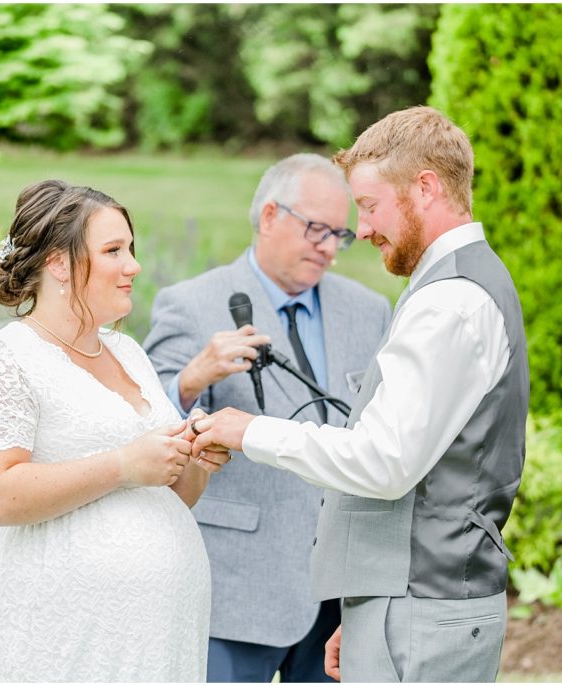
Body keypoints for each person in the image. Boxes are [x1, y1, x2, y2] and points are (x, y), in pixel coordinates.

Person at [191, 107, 529, 682]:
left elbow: (384, 461)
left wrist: (249, 431)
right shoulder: (459, 283)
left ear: (425, 187)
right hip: (406, 604)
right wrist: (371, 608)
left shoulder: (450, 302)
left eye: (370, 207)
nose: (363, 229)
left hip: (423, 608)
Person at [0, 180, 228, 682]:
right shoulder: (3, 360)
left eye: (132, 249)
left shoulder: (128, 353)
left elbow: (166, 497)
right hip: (64, 639)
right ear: (59, 263)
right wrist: (123, 465)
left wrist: (195, 457)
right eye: (114, 250)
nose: (134, 265)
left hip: (159, 641)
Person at [143, 154, 391, 682]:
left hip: (341, 593)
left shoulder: (370, 311)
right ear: (271, 215)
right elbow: (144, 424)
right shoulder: (188, 304)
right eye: (318, 229)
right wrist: (192, 380)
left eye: (341, 236)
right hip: (238, 584)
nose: (329, 247)